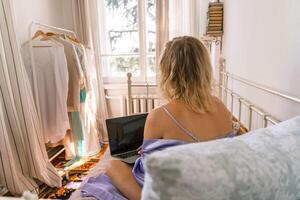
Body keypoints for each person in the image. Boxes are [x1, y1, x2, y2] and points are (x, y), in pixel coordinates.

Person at [80, 36, 235, 200]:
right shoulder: (222, 108)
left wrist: (145, 154)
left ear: (169, 72)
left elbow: (148, 169)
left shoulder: (159, 115)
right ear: (204, 68)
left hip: (180, 189)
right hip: (212, 182)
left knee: (113, 164)